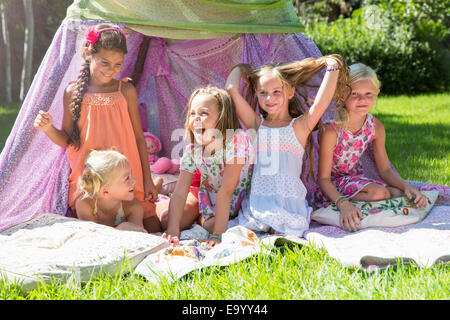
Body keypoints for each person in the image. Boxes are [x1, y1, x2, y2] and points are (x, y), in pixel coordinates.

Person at [33, 24, 162, 232]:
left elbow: (139, 138)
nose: (111, 70)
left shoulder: (125, 90)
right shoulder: (73, 92)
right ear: (88, 53)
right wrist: (48, 128)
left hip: (125, 175)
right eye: (105, 62)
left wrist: (147, 179)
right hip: (92, 178)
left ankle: (157, 191)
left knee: (152, 227)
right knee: (95, 230)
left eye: (118, 64)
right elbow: (67, 140)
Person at [226, 54, 348, 237]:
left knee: (283, 231)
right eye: (263, 92)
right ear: (257, 93)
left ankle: (276, 231)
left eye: (277, 92)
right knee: (248, 234)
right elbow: (230, 88)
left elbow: (322, 101)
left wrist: (331, 67)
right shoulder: (256, 125)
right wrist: (244, 69)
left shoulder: (299, 126)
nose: (270, 98)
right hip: (259, 203)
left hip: (289, 204)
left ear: (290, 92)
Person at [316, 63, 426, 232]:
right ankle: (337, 203)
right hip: (331, 186)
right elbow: (323, 179)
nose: (362, 100)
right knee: (381, 194)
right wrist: (343, 204)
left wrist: (406, 186)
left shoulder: (375, 127)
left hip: (354, 180)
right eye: (355, 94)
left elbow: (385, 169)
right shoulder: (332, 131)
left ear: (376, 94)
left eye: (368, 94)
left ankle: (382, 194)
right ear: (342, 94)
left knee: (398, 193)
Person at [162, 85, 254, 246]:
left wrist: (217, 236)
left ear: (222, 117)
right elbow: (179, 194)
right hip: (212, 203)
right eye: (192, 113)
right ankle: (205, 221)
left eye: (203, 113)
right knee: (167, 220)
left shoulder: (236, 140)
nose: (196, 118)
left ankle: (209, 224)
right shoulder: (193, 149)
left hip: (243, 202)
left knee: (240, 228)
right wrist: (172, 231)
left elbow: (226, 190)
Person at [76, 150, 147, 232]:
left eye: (131, 175)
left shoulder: (133, 207)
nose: (134, 181)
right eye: (127, 178)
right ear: (105, 191)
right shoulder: (85, 205)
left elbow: (141, 234)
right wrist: (120, 229)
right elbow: (91, 236)